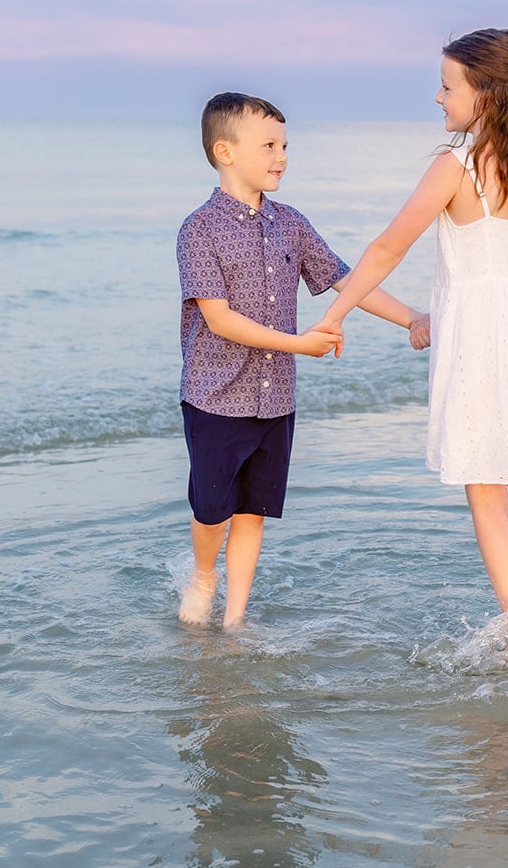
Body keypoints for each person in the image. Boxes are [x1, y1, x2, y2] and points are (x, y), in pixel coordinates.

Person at [316, 29, 508, 653]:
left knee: (485, 491)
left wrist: (336, 314)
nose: (438, 96)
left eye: (449, 85)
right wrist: (423, 316)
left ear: (485, 95)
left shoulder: (456, 166)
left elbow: (386, 249)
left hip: (481, 340)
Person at [177, 92, 422, 630]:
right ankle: (203, 575)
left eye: (284, 145)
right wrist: (301, 344)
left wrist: (413, 319)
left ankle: (235, 619)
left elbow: (346, 279)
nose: (281, 156)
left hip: (275, 398)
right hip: (215, 395)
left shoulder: (291, 223)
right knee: (212, 509)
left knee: (253, 512)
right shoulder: (198, 230)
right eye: (268, 145)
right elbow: (218, 319)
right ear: (225, 151)